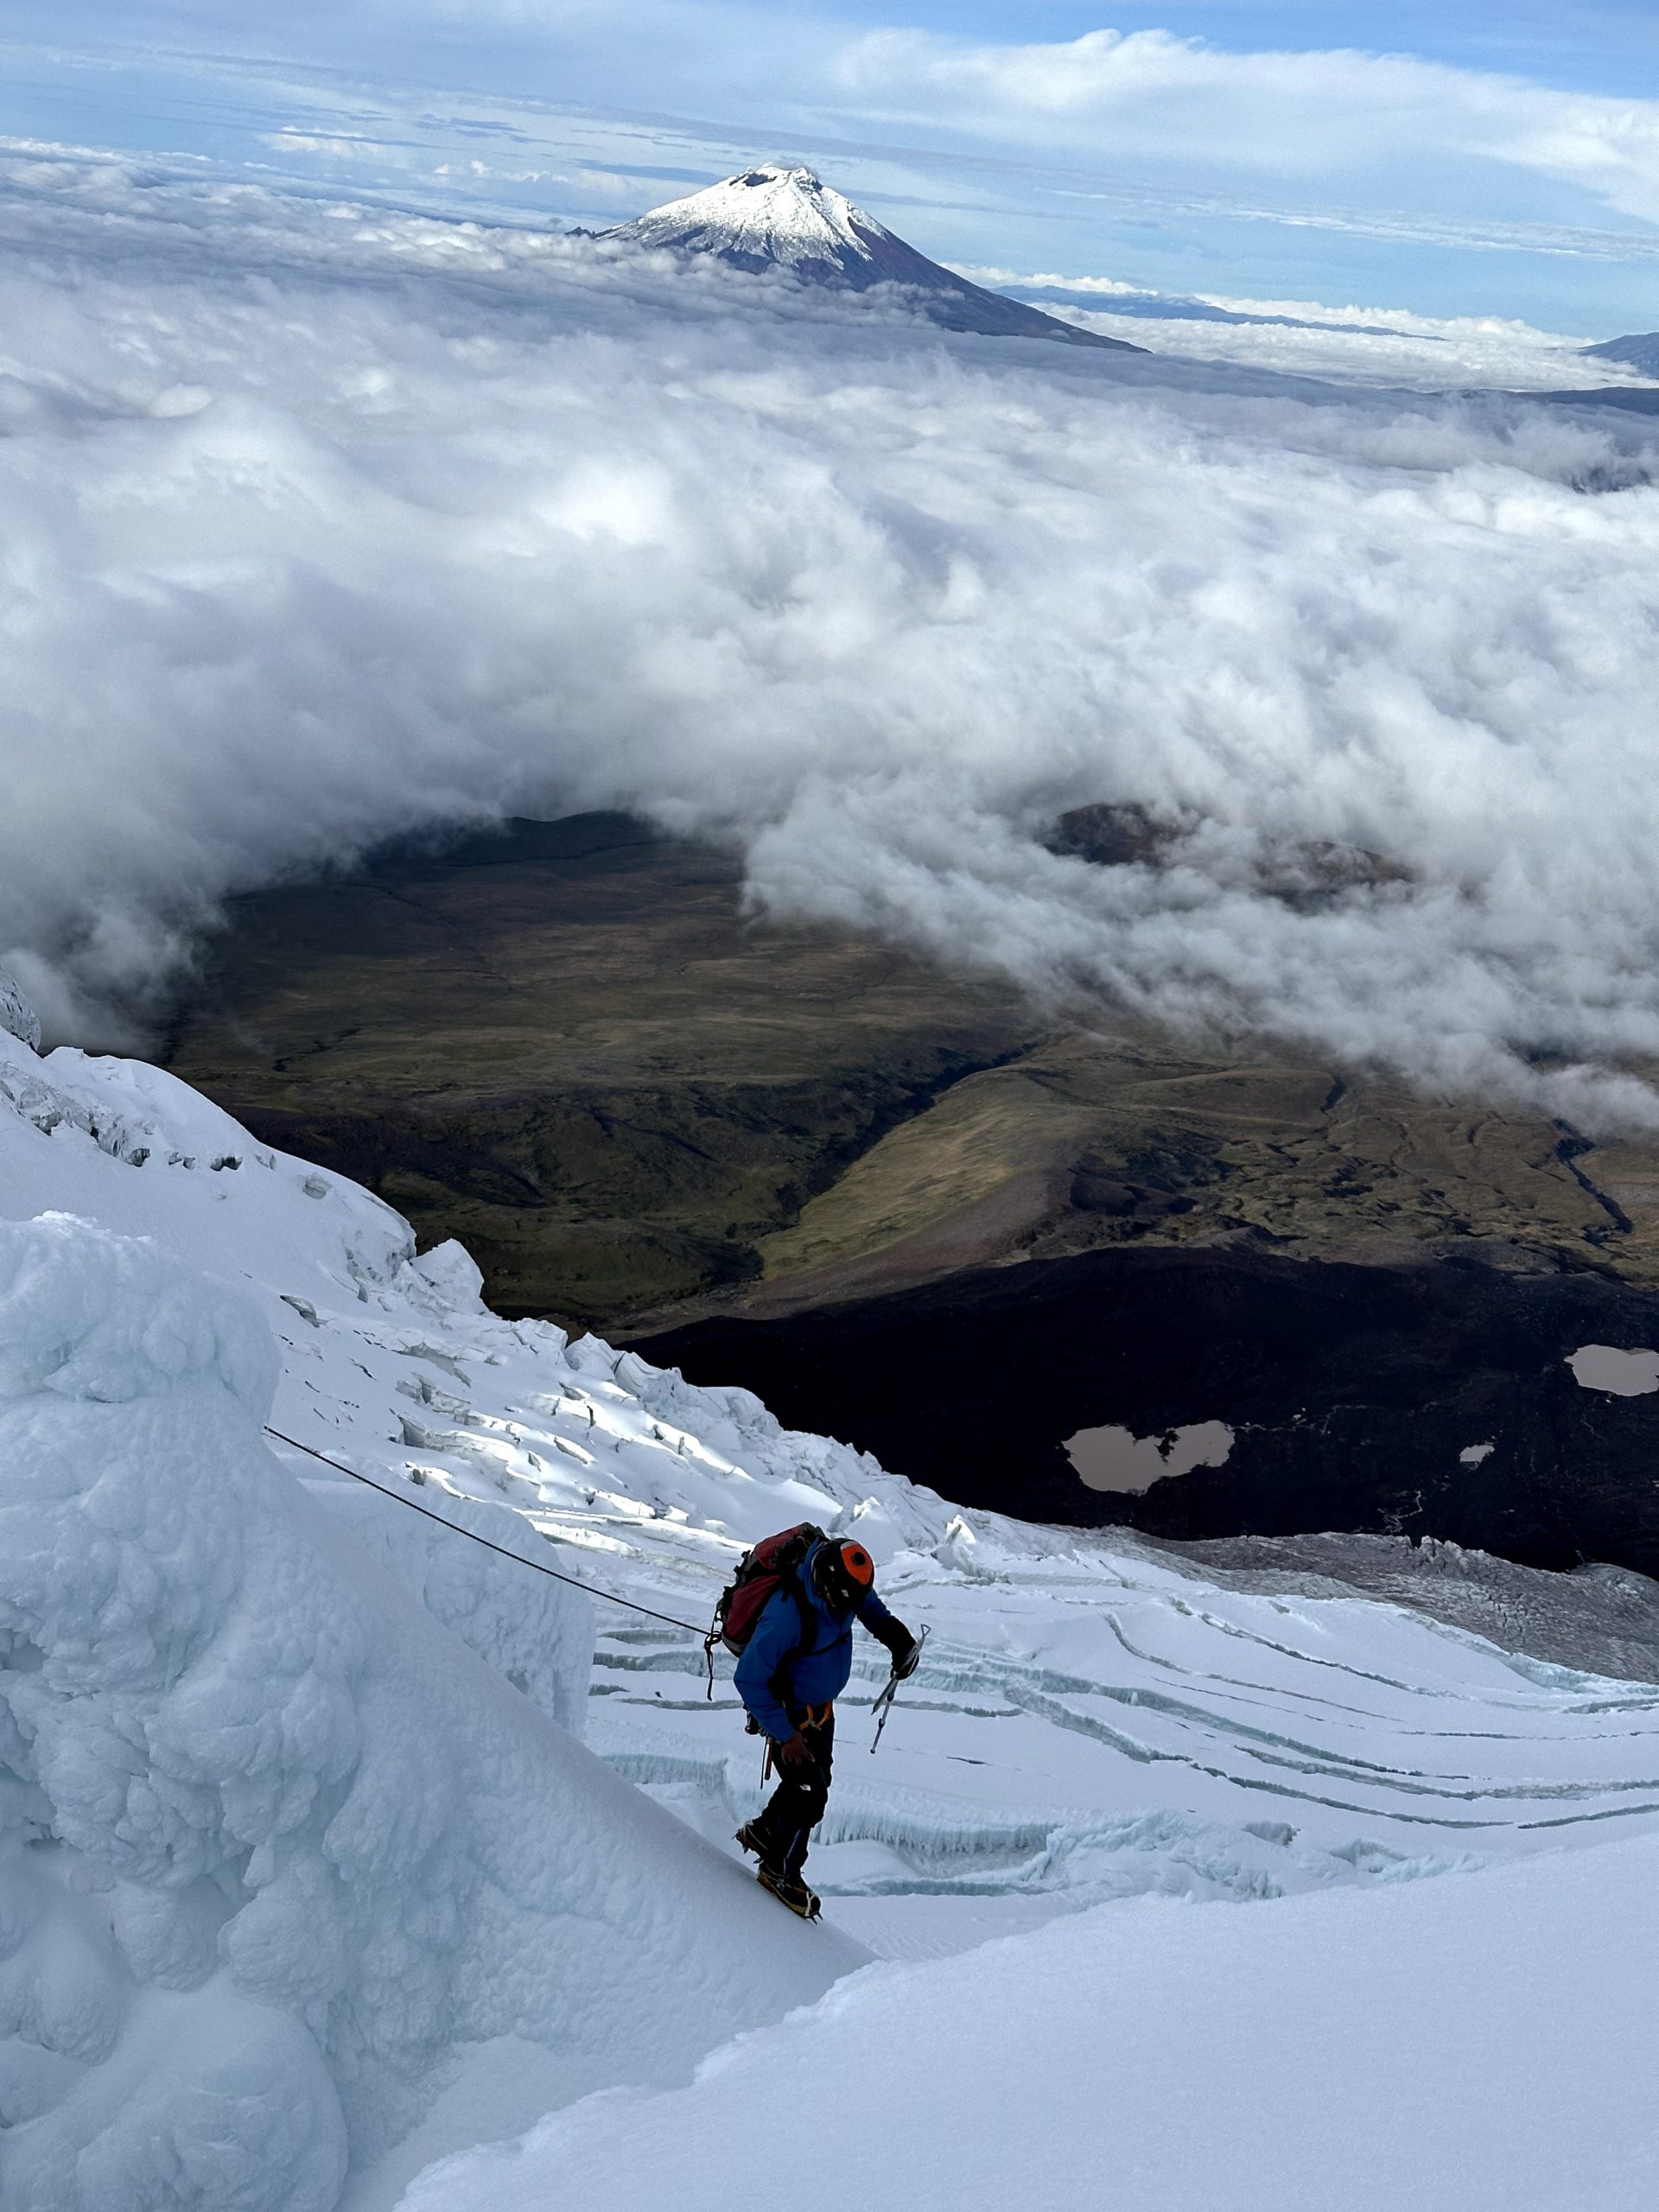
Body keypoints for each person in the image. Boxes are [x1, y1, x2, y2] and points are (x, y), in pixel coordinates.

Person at [734, 1535, 919, 1916]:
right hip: (790, 1717)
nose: (848, 1609)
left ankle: (766, 1832)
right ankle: (779, 1871)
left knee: (814, 1782)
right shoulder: (785, 1615)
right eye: (843, 1600)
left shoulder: (844, 1588)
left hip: (820, 1712)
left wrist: (898, 1640)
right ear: (824, 1583)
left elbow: (869, 1606)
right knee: (809, 1793)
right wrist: (786, 1735)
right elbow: (749, 1678)